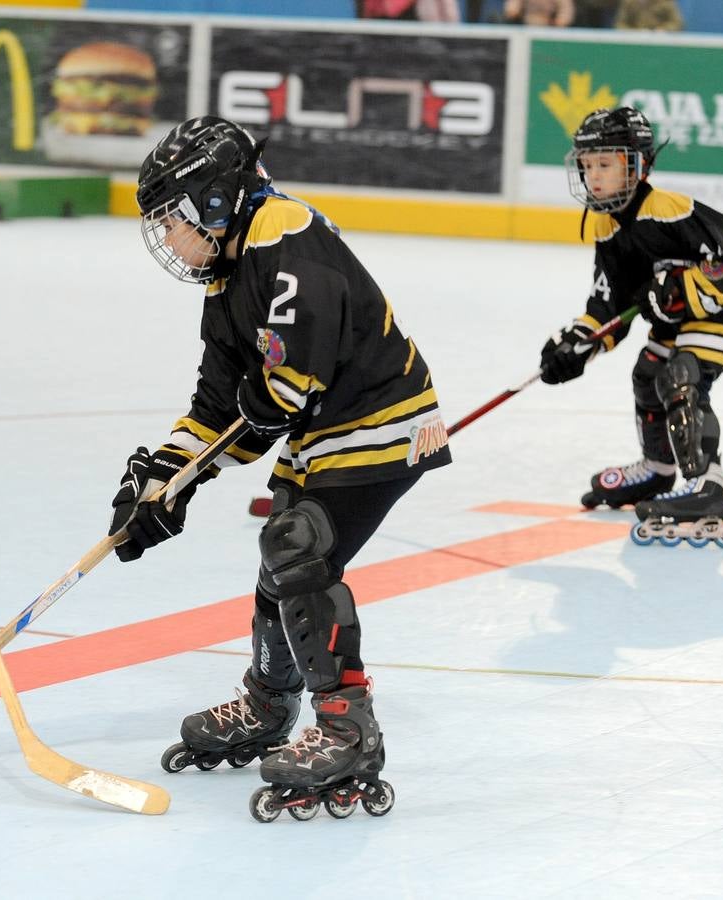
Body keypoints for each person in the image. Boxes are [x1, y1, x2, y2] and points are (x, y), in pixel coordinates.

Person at [112, 116, 451, 816]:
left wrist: (193, 474)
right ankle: (271, 706)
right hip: (326, 428)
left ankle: (347, 727)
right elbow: (218, 406)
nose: (169, 241)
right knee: (283, 564)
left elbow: (281, 392)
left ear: (214, 200)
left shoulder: (286, 239)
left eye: (173, 221)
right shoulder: (230, 271)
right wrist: (162, 481)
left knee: (297, 551)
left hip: (381, 421)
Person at [540, 107, 723, 540]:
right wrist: (579, 344)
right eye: (587, 166)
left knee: (682, 377)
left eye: (606, 164)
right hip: (673, 320)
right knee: (648, 376)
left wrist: (681, 288)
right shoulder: (606, 227)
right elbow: (608, 307)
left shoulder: (671, 210)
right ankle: (659, 471)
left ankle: (706, 484)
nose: (594, 176)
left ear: (638, 165)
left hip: (722, 310)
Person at [616, 0, 684, 31]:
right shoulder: (629, 2)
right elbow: (620, 24)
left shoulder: (666, 2)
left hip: (660, 44)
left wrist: (663, 29)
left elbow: (677, 23)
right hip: (634, 45)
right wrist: (635, 32)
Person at [504, 0, 576, 26]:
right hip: (525, 27)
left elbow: (565, 14)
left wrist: (559, 21)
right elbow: (512, 10)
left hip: (549, 29)